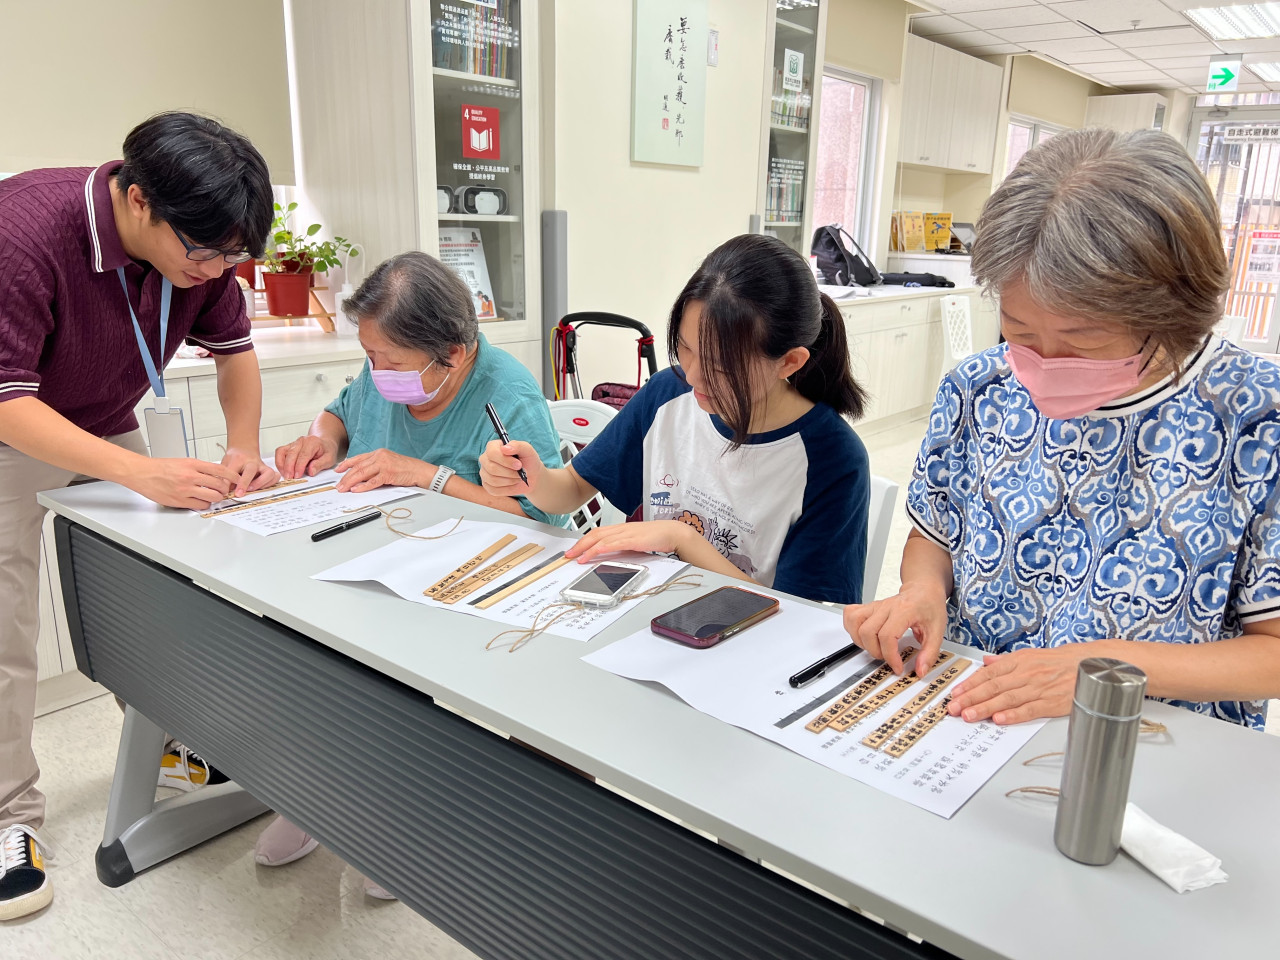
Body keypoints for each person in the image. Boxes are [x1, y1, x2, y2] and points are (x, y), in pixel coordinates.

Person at [843, 128, 1280, 731]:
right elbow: (933, 536)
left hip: (1147, 737)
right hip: (973, 714)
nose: (1044, 364)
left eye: (1084, 340)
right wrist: (923, 590)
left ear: (1174, 311)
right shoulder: (979, 389)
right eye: (1020, 331)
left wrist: (1102, 670)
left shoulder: (1258, 417)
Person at [0, 112, 278, 921]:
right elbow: (7, 398)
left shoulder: (205, 246)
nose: (215, 271)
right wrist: (140, 472)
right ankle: (9, 817)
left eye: (232, 257)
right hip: (11, 424)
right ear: (137, 200)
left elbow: (235, 354)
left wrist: (243, 446)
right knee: (6, 629)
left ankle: (163, 745)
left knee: (149, 598)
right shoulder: (22, 233)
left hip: (101, 419)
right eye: (205, 254)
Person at [259, 250, 565, 897]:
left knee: (394, 666)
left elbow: (540, 520)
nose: (377, 373)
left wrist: (427, 475)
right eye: (369, 356)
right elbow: (341, 410)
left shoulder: (506, 396)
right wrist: (321, 440)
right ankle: (315, 790)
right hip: (373, 558)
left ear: (453, 353)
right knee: (294, 631)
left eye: (390, 363)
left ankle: (403, 820)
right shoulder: (387, 368)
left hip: (466, 585)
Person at [479, 233, 871, 605]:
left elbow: (799, 616)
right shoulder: (668, 393)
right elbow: (572, 488)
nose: (695, 376)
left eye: (721, 366)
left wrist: (682, 538)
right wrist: (531, 479)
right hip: (649, 615)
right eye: (685, 349)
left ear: (789, 362)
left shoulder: (832, 459)